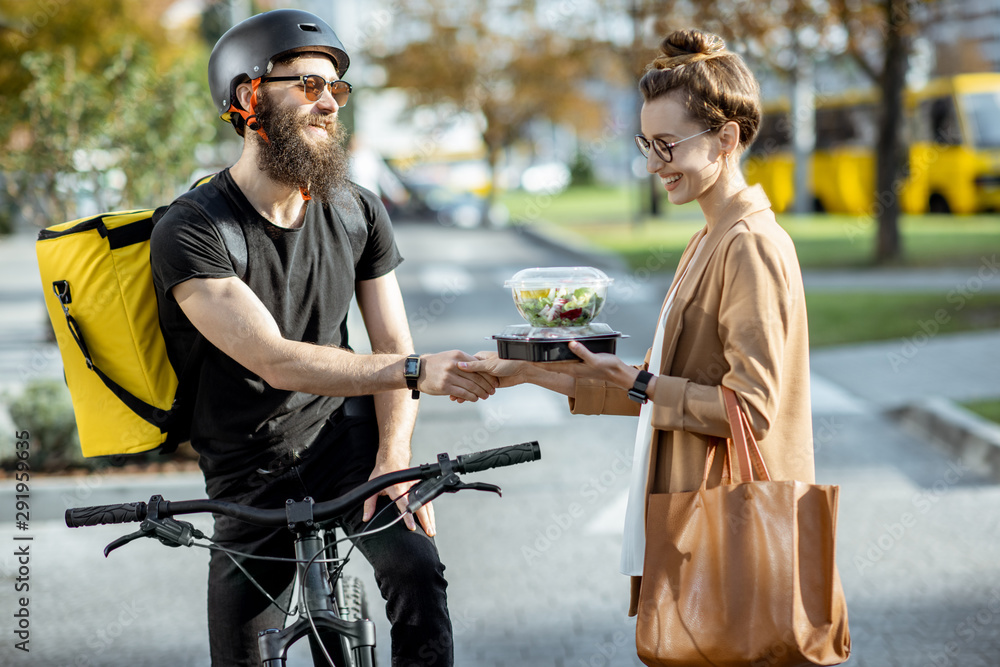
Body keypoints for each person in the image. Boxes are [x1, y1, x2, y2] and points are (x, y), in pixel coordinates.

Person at [150, 9, 496, 666]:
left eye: (336, 88)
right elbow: (274, 360)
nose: (330, 101)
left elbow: (393, 340)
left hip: (350, 442)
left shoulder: (357, 208)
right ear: (249, 98)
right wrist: (417, 368)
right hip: (248, 470)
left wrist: (393, 456)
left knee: (418, 571)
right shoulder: (192, 229)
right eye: (307, 85)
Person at [462, 28, 815, 618]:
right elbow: (654, 393)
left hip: (730, 521)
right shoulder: (708, 239)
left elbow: (750, 411)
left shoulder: (749, 244)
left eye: (667, 145)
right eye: (646, 144)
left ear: (726, 138)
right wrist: (520, 369)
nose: (653, 164)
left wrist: (640, 382)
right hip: (698, 514)